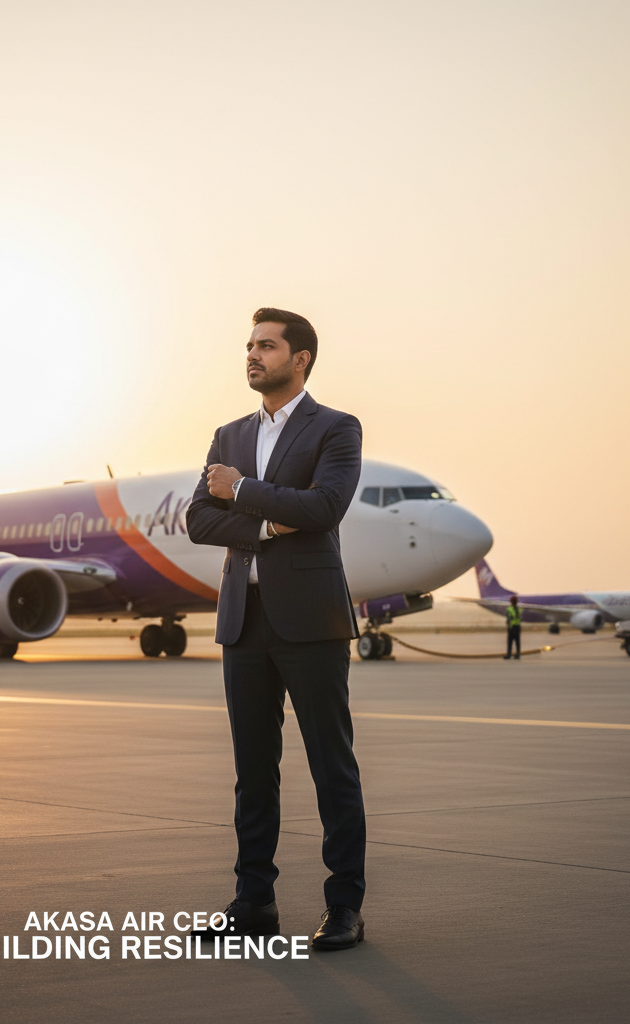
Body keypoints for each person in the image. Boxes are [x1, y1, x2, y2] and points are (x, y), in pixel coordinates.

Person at [185, 308, 366, 952]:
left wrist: (244, 491)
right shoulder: (229, 433)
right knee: (252, 770)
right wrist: (263, 521)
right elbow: (198, 521)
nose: (253, 355)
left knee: (330, 766)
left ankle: (344, 905)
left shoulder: (336, 428)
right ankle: (252, 901)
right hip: (245, 621)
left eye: (267, 345)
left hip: (311, 622)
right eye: (250, 345)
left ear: (302, 358)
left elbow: (324, 507)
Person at [504, 594, 521, 659]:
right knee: (517, 641)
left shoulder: (509, 609)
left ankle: (509, 654)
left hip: (511, 627)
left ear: (510, 601)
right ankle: (518, 654)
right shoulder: (519, 609)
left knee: (510, 642)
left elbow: (508, 617)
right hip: (517, 626)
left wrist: (508, 624)